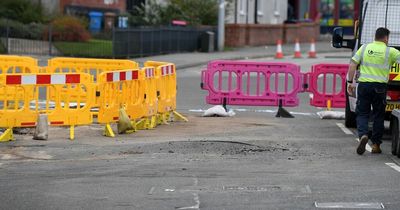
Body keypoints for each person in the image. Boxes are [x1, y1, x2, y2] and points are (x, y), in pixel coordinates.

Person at [347, 27, 400, 155]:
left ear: (374, 36)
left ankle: (363, 135)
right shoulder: (390, 51)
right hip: (380, 88)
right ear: (386, 38)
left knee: (363, 113)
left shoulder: (364, 48)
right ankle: (376, 145)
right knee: (378, 115)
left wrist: (350, 82)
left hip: (364, 85)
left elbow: (353, 64)